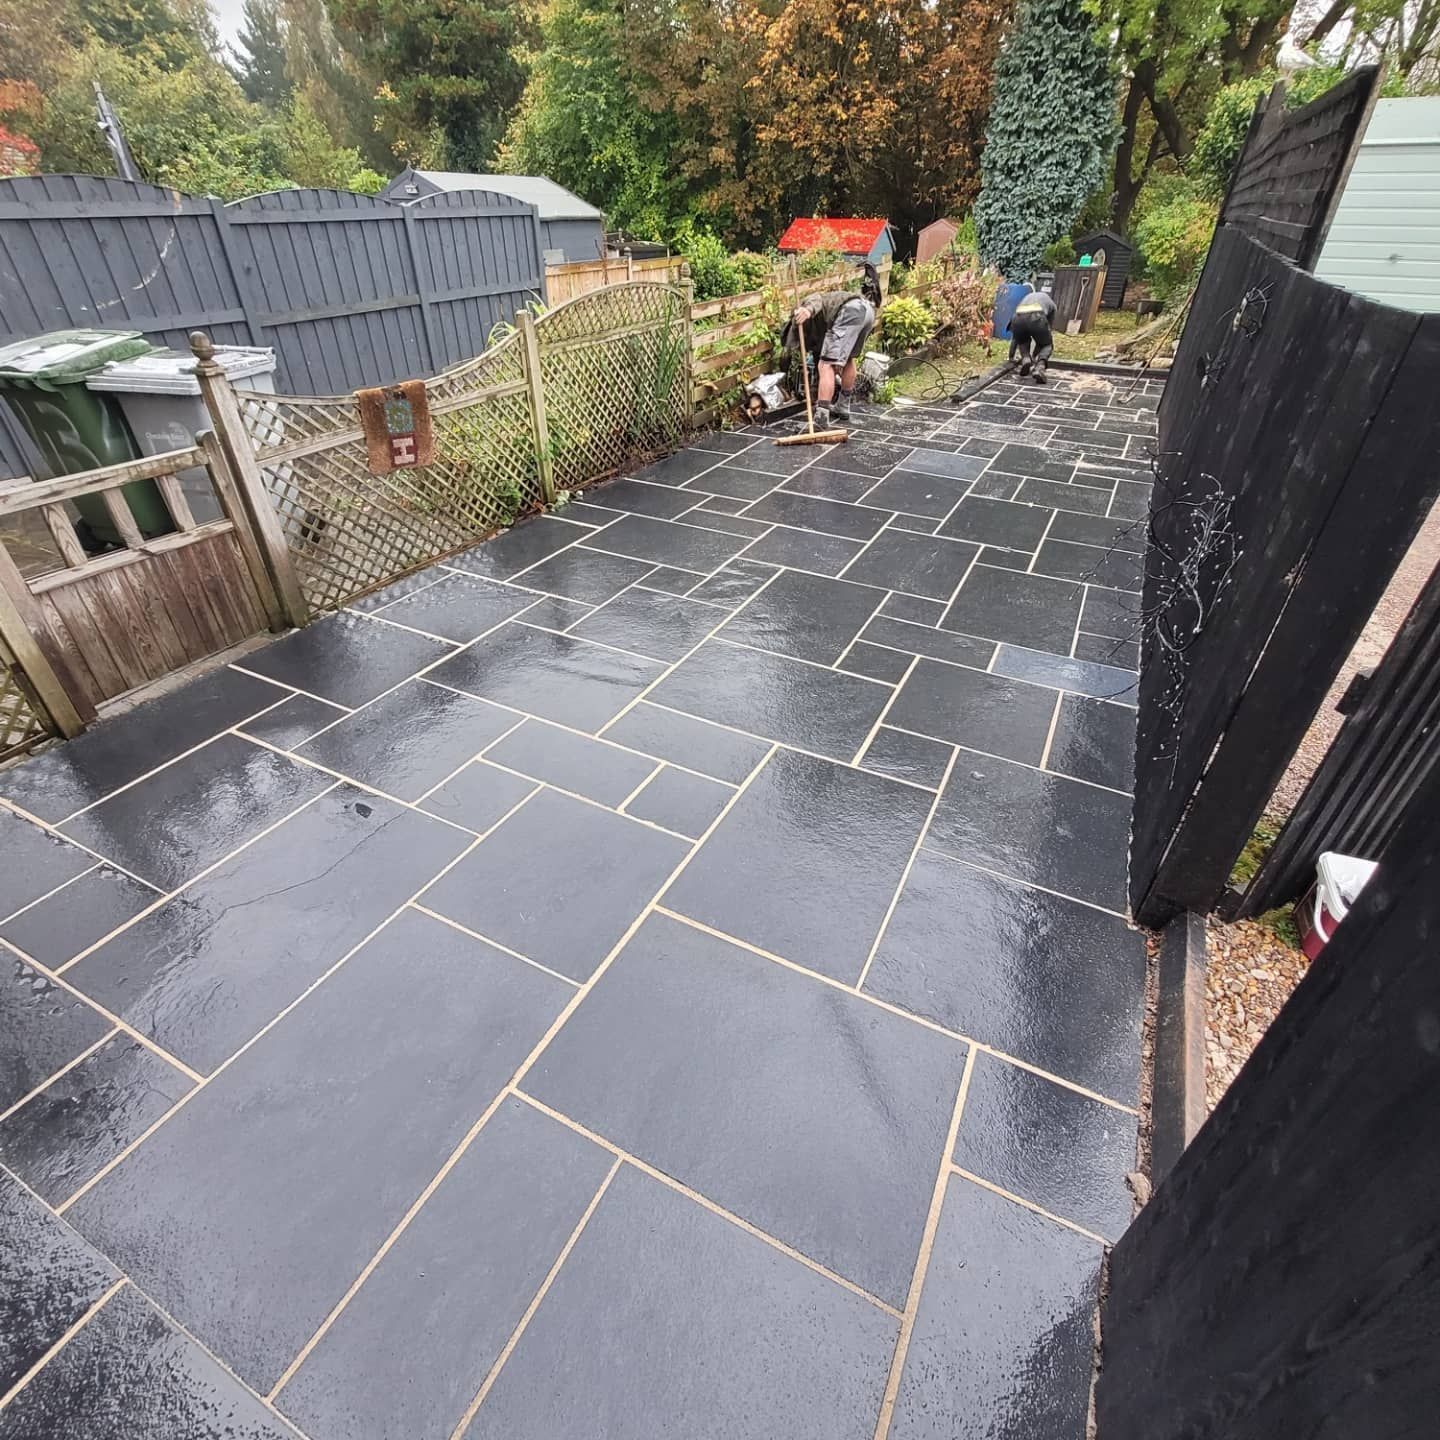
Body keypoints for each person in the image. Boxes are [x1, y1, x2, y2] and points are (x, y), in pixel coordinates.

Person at [787, 263, 882, 423]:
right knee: (849, 359)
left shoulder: (807, 305)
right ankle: (842, 407)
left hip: (850, 312)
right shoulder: (820, 325)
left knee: (826, 365)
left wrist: (806, 310)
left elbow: (815, 300)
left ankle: (821, 418)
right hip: (866, 311)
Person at [1008, 285, 1056, 382]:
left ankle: (1026, 359)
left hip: (1017, 318)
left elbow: (1015, 338)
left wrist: (1011, 357)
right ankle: (1039, 368)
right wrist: (1036, 356)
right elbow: (1044, 337)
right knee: (1047, 345)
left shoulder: (1027, 298)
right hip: (1036, 317)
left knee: (1022, 341)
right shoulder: (1052, 305)